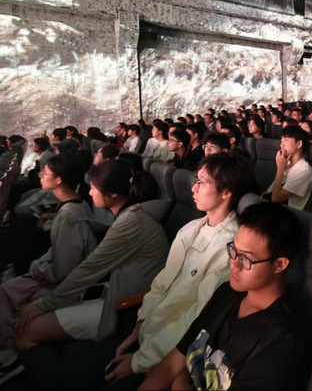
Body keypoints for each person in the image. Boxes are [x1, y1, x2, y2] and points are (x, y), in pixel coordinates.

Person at [103, 154, 258, 386]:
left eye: (201, 182)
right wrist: (140, 326)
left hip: (169, 355)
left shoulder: (229, 249)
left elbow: (196, 317)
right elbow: (162, 282)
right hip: (147, 335)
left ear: (226, 192)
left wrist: (141, 359)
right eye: (196, 180)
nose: (193, 188)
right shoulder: (190, 228)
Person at [138, 203, 310, 390]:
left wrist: (179, 383)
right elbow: (173, 363)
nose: (233, 264)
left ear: (279, 265)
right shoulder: (226, 292)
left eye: (245, 258)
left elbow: (177, 374)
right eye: (234, 250)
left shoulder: (281, 341)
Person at [13, 160, 169, 355]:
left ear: (112, 193)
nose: (90, 192)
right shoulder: (130, 216)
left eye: (94, 188)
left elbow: (89, 269)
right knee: (35, 306)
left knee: (26, 329)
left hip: (126, 307)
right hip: (113, 292)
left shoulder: (131, 222)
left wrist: (45, 304)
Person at [0, 154, 98, 383]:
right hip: (57, 271)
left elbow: (64, 267)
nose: (40, 176)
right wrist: (39, 265)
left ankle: (9, 351)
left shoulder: (69, 215)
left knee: (6, 291)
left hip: (65, 280)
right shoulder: (76, 205)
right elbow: (57, 252)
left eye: (45, 173)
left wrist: (40, 270)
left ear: (59, 179)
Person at [264, 126, 312, 210]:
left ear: (299, 144)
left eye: (286, 140)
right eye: (281, 140)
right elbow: (270, 190)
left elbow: (276, 198)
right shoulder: (286, 163)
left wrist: (280, 169)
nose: (281, 144)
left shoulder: (304, 170)